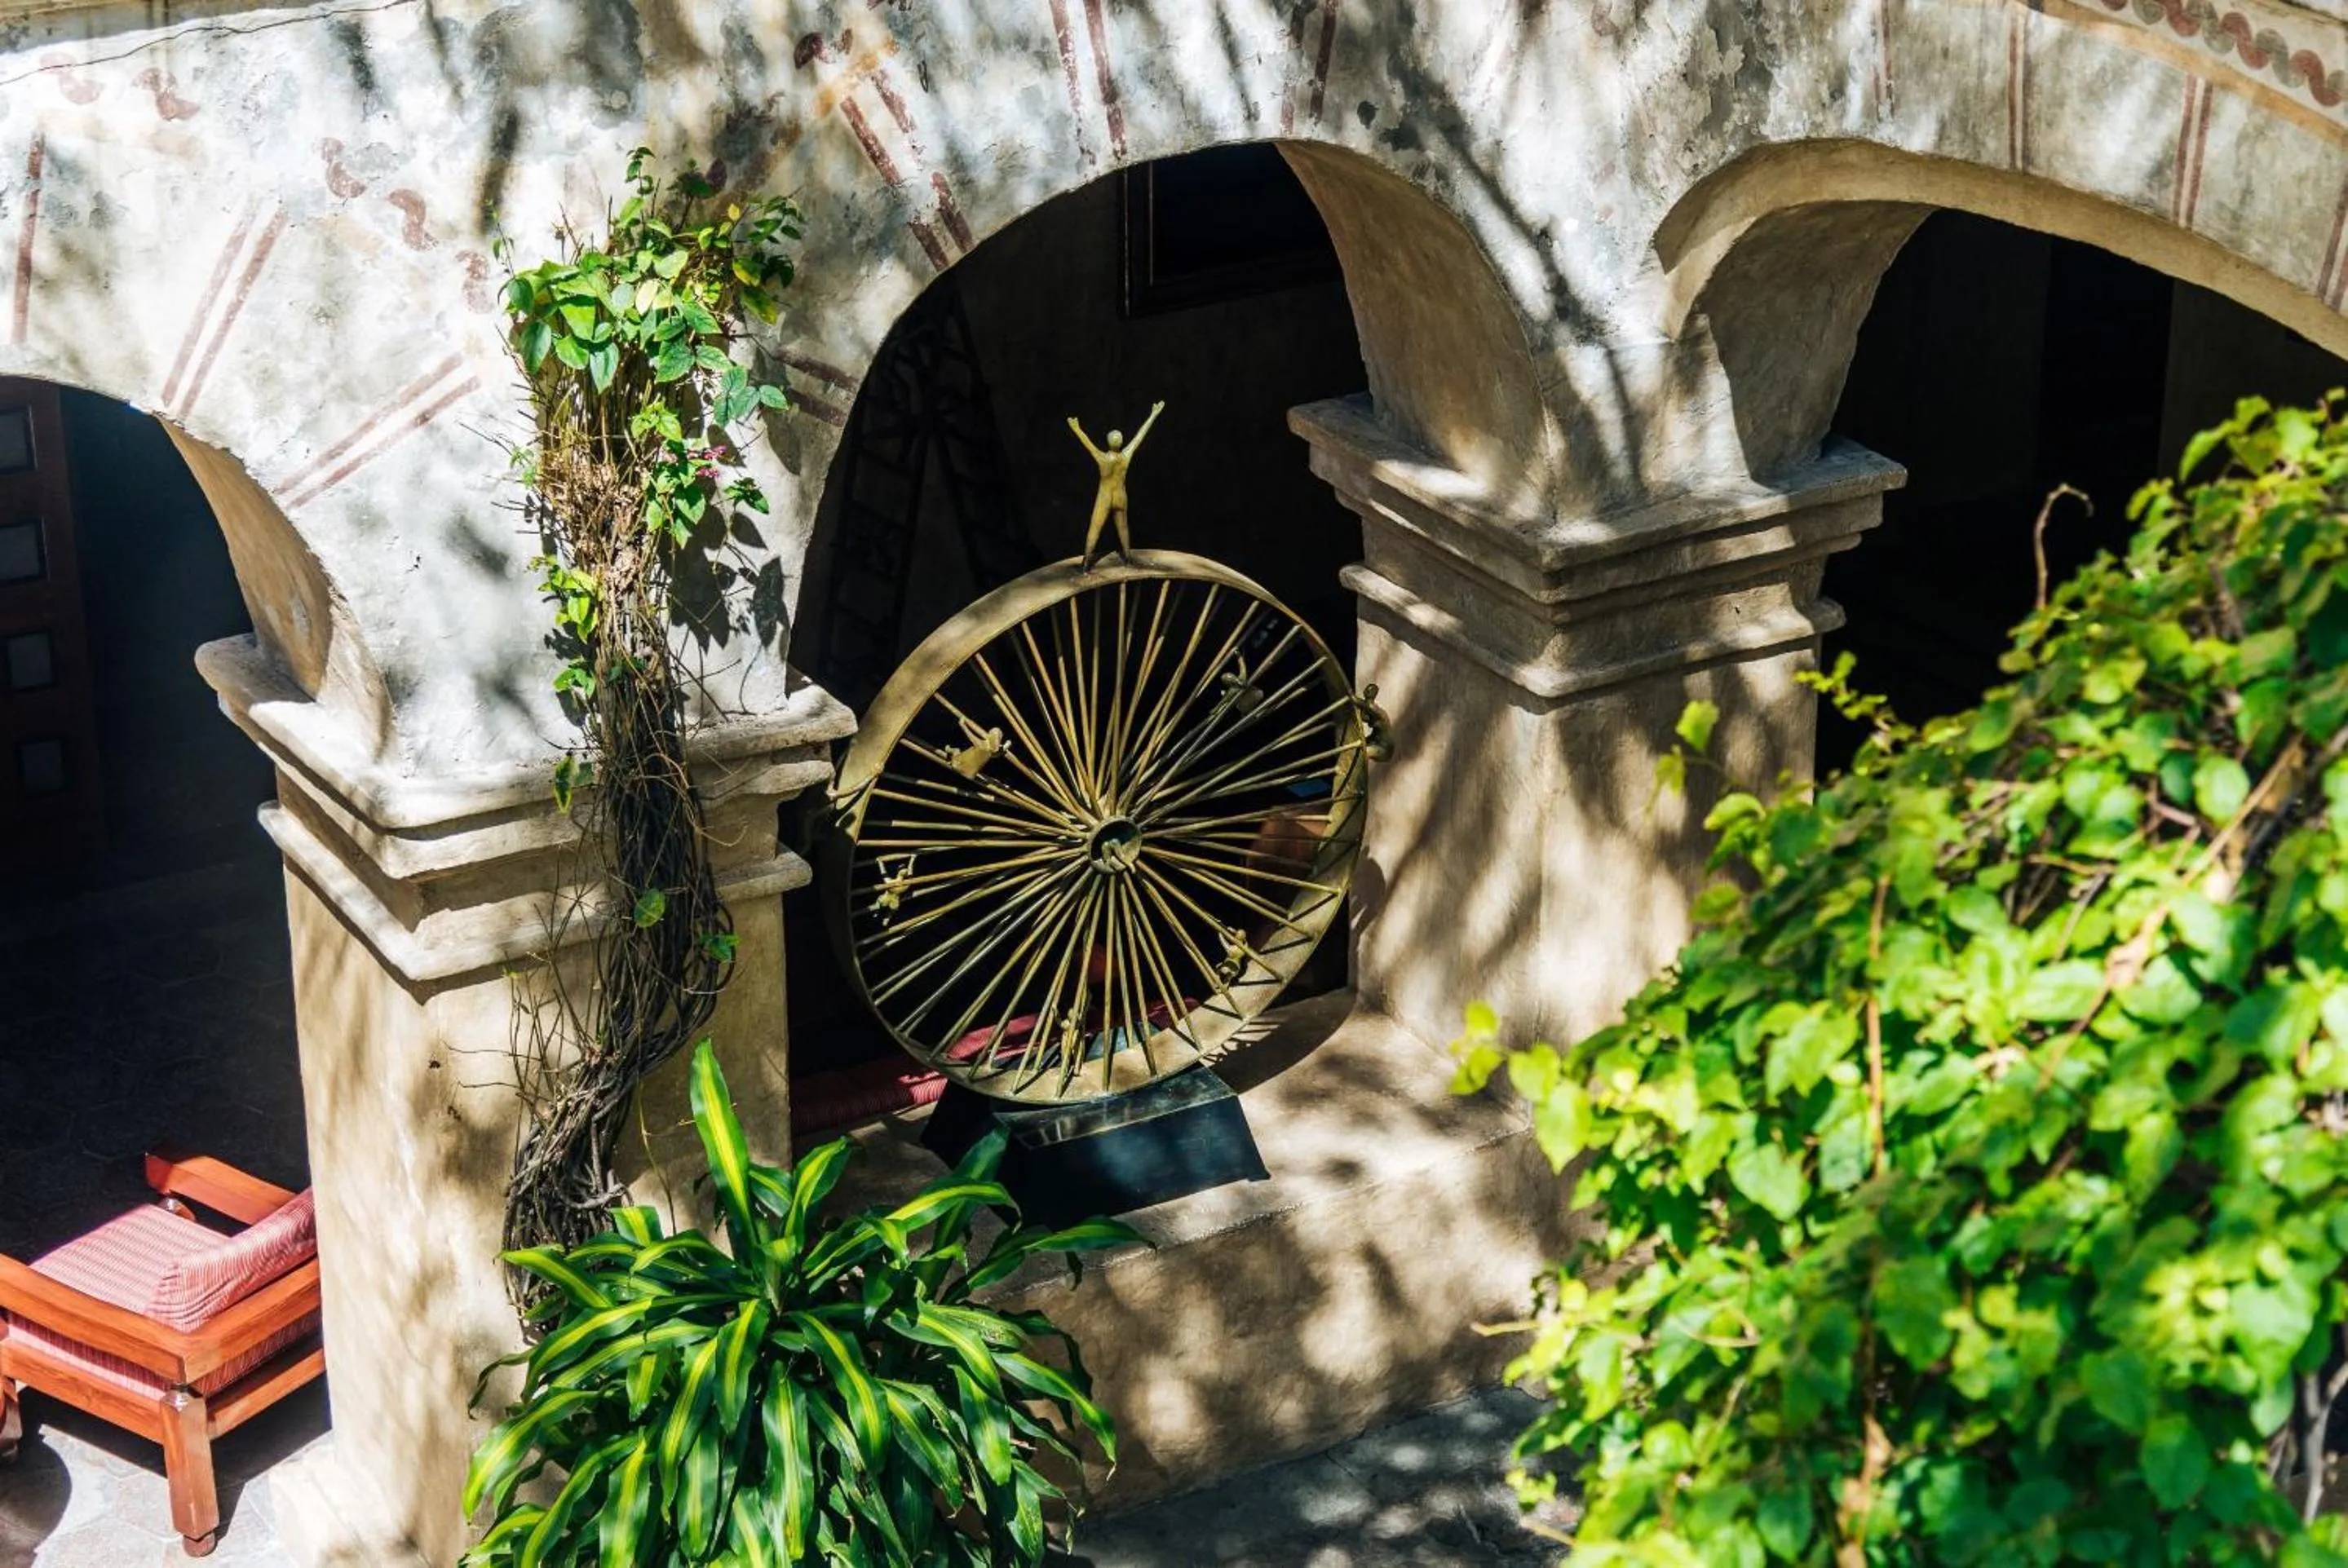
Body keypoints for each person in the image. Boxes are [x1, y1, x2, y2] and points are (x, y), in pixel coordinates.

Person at [1067, 400, 1165, 567]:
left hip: (1105, 498)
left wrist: (1076, 429)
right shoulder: (1126, 456)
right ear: (1120, 441)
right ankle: (1128, 558)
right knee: (1123, 528)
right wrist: (1153, 415)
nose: (1118, 438)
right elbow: (1139, 437)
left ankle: (1086, 563)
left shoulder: (1103, 458)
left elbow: (1088, 444)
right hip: (1120, 497)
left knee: (1095, 529)